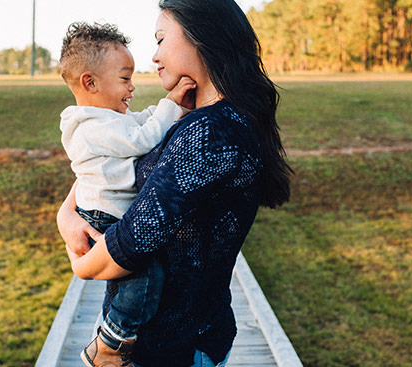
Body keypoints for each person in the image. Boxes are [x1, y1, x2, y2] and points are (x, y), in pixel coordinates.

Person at [57, 0, 293, 366]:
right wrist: (66, 215)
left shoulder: (209, 134)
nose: (154, 56)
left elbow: (129, 248)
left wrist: (80, 265)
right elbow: (107, 168)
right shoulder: (201, 119)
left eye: (160, 39)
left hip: (172, 348)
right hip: (169, 338)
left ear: (200, 38)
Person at [57, 22, 197, 367]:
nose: (132, 87)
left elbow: (140, 123)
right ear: (90, 82)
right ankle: (110, 344)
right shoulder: (90, 127)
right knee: (145, 280)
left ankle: (116, 336)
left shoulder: (106, 119)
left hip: (109, 214)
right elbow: (141, 139)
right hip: (104, 218)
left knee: (134, 283)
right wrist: (170, 103)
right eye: (124, 78)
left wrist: (174, 109)